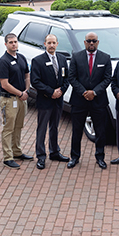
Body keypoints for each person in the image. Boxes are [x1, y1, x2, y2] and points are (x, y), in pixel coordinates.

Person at [67, 32, 112, 169]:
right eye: (89, 41)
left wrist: (95, 92)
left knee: (100, 131)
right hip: (79, 100)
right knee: (77, 131)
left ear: (98, 42)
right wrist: (84, 92)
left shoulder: (105, 58)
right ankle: (74, 157)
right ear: (85, 42)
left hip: (98, 101)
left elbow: (107, 78)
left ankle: (100, 157)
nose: (91, 43)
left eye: (94, 41)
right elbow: (71, 77)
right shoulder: (76, 57)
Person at [30, 34, 70, 170]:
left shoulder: (62, 59)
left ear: (57, 44)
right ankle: (41, 156)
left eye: (54, 43)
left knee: (55, 127)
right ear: (44, 44)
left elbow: (67, 78)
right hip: (45, 101)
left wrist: (61, 91)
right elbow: (35, 81)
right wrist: (50, 91)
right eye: (49, 43)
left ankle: (54, 152)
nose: (51, 45)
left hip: (58, 101)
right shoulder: (38, 61)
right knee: (42, 128)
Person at [0, 33, 32, 169]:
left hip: (22, 98)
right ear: (5, 44)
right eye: (10, 42)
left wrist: (27, 91)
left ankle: (17, 152)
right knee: (8, 128)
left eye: (15, 42)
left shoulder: (21, 58)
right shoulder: (3, 61)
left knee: (18, 126)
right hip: (9, 100)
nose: (13, 44)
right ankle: (8, 157)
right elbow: (4, 84)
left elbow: (27, 75)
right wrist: (20, 93)